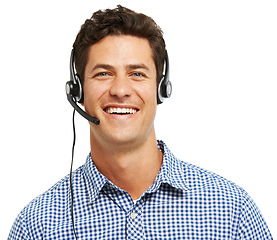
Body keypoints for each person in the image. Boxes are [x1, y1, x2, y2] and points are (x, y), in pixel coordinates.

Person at [8, 5, 272, 239]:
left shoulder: (232, 210)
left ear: (161, 88)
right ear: (78, 91)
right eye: (103, 73)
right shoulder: (36, 226)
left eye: (137, 73)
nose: (120, 90)